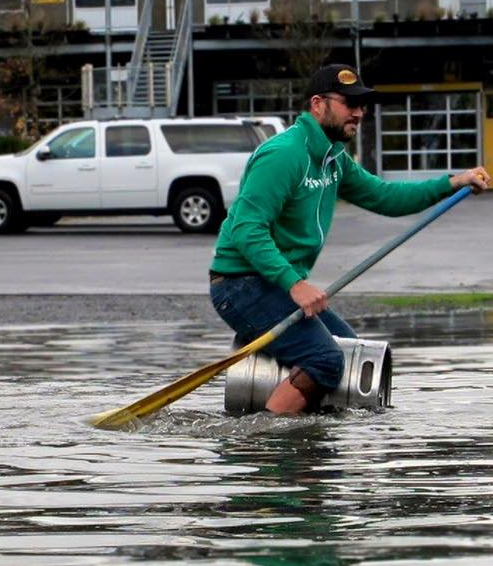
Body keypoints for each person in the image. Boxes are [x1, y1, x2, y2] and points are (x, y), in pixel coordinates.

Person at [209, 64, 490, 416]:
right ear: (317, 104)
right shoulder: (284, 154)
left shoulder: (334, 158)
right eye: (349, 103)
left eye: (362, 104)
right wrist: (295, 285)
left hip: (273, 284)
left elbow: (387, 197)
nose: (359, 112)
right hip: (239, 285)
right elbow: (247, 229)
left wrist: (454, 181)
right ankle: (266, 442)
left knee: (349, 351)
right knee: (325, 360)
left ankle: (308, 437)